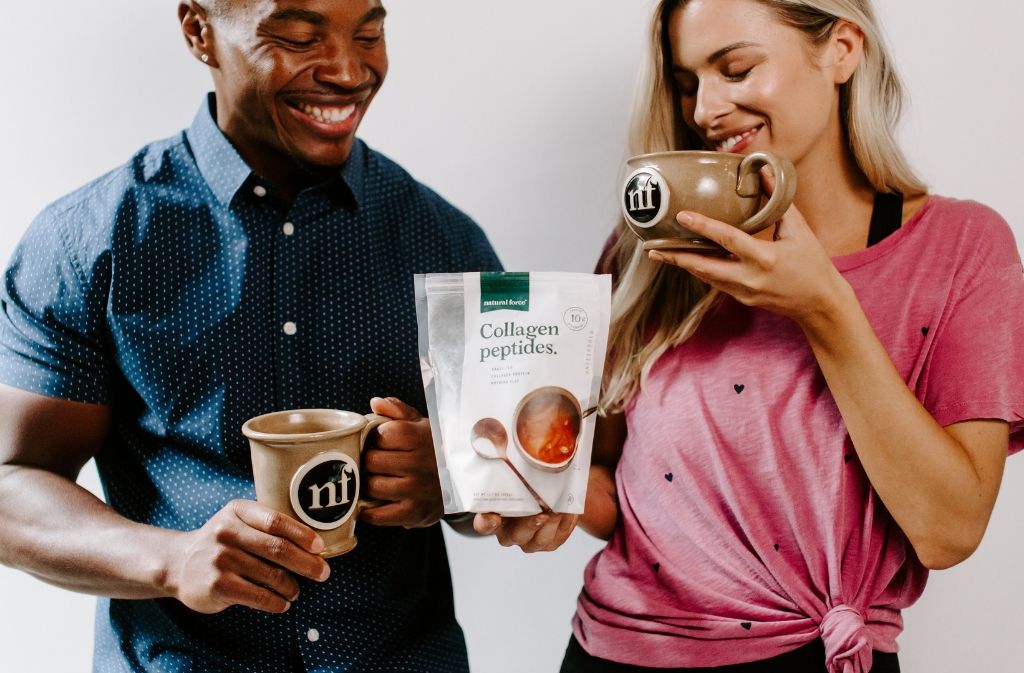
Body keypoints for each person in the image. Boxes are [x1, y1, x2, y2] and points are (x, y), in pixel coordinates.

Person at [0, 1, 504, 671]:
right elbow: (13, 483)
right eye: (298, 35)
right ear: (198, 31)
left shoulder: (446, 241)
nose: (350, 71)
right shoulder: (92, 242)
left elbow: (512, 485)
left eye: (370, 33)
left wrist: (456, 475)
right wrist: (171, 560)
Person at [556, 1, 1024, 672]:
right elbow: (604, 481)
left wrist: (824, 308)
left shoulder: (962, 249)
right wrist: (531, 495)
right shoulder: (651, 256)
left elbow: (948, 530)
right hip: (612, 650)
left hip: (816, 655)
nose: (704, 110)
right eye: (688, 82)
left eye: (737, 68)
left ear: (841, 49)